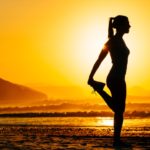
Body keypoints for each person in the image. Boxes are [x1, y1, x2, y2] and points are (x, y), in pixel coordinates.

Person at [88, 15, 131, 147]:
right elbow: (99, 60)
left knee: (119, 110)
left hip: (119, 78)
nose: (129, 26)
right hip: (115, 78)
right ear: (120, 26)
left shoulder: (120, 40)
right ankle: (116, 141)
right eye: (127, 24)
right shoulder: (112, 41)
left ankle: (116, 140)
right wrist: (90, 77)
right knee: (119, 110)